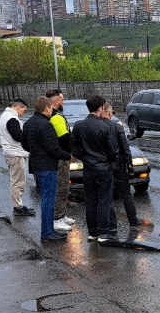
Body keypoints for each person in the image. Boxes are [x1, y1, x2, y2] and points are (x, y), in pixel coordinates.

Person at [21, 96, 74, 241]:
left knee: (46, 198)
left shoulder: (28, 123)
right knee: (48, 200)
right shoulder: (46, 125)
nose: (52, 111)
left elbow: (25, 144)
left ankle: (49, 230)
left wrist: (36, 152)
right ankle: (47, 232)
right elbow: (54, 149)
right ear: (46, 108)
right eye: (51, 108)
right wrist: (69, 156)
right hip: (48, 166)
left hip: (37, 165)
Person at [72, 95, 120, 243]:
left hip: (88, 168)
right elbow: (113, 150)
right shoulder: (106, 126)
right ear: (100, 108)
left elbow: (73, 148)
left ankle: (92, 232)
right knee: (104, 200)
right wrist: (109, 162)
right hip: (104, 168)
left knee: (90, 201)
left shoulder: (79, 126)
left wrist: (85, 158)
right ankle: (104, 232)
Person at [101, 102, 146, 230]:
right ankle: (133, 221)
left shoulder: (96, 126)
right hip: (118, 166)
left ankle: (111, 224)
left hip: (103, 167)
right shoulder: (117, 127)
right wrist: (130, 165)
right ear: (109, 113)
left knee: (106, 196)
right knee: (126, 194)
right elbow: (125, 148)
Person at [0, 98, 35, 217]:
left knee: (17, 180)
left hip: (12, 153)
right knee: (18, 181)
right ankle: (18, 207)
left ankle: (18, 205)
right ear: (18, 107)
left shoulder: (5, 116)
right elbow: (17, 136)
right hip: (15, 154)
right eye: (24, 110)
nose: (23, 113)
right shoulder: (11, 119)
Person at [45, 89, 76, 229]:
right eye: (62, 100)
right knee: (61, 187)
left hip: (59, 156)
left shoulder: (54, 115)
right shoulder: (56, 116)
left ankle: (62, 215)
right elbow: (64, 138)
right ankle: (57, 218)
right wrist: (70, 154)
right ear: (56, 101)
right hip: (61, 158)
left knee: (63, 187)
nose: (63, 102)